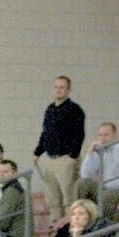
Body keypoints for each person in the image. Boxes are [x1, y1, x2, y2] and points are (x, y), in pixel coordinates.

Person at [33, 76, 85, 223]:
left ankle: (71, 224)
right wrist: (38, 152)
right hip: (51, 158)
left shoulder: (74, 110)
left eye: (61, 87)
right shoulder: (50, 109)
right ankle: (57, 226)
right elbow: (46, 133)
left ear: (68, 90)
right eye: (56, 87)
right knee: (52, 196)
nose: (58, 90)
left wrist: (73, 156)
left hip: (66, 158)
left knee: (68, 195)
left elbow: (79, 134)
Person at [76, 122, 119, 219]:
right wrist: (90, 153)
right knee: (82, 183)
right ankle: (81, 218)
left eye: (106, 135)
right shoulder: (100, 150)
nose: (103, 138)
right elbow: (85, 175)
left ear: (115, 135)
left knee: (106, 196)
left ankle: (103, 227)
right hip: (106, 188)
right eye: (100, 135)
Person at [0, 159, 34, 237]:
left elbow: (2, 222)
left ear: (15, 173)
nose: (2, 175)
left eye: (6, 172)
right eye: (0, 172)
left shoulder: (12, 191)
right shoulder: (13, 189)